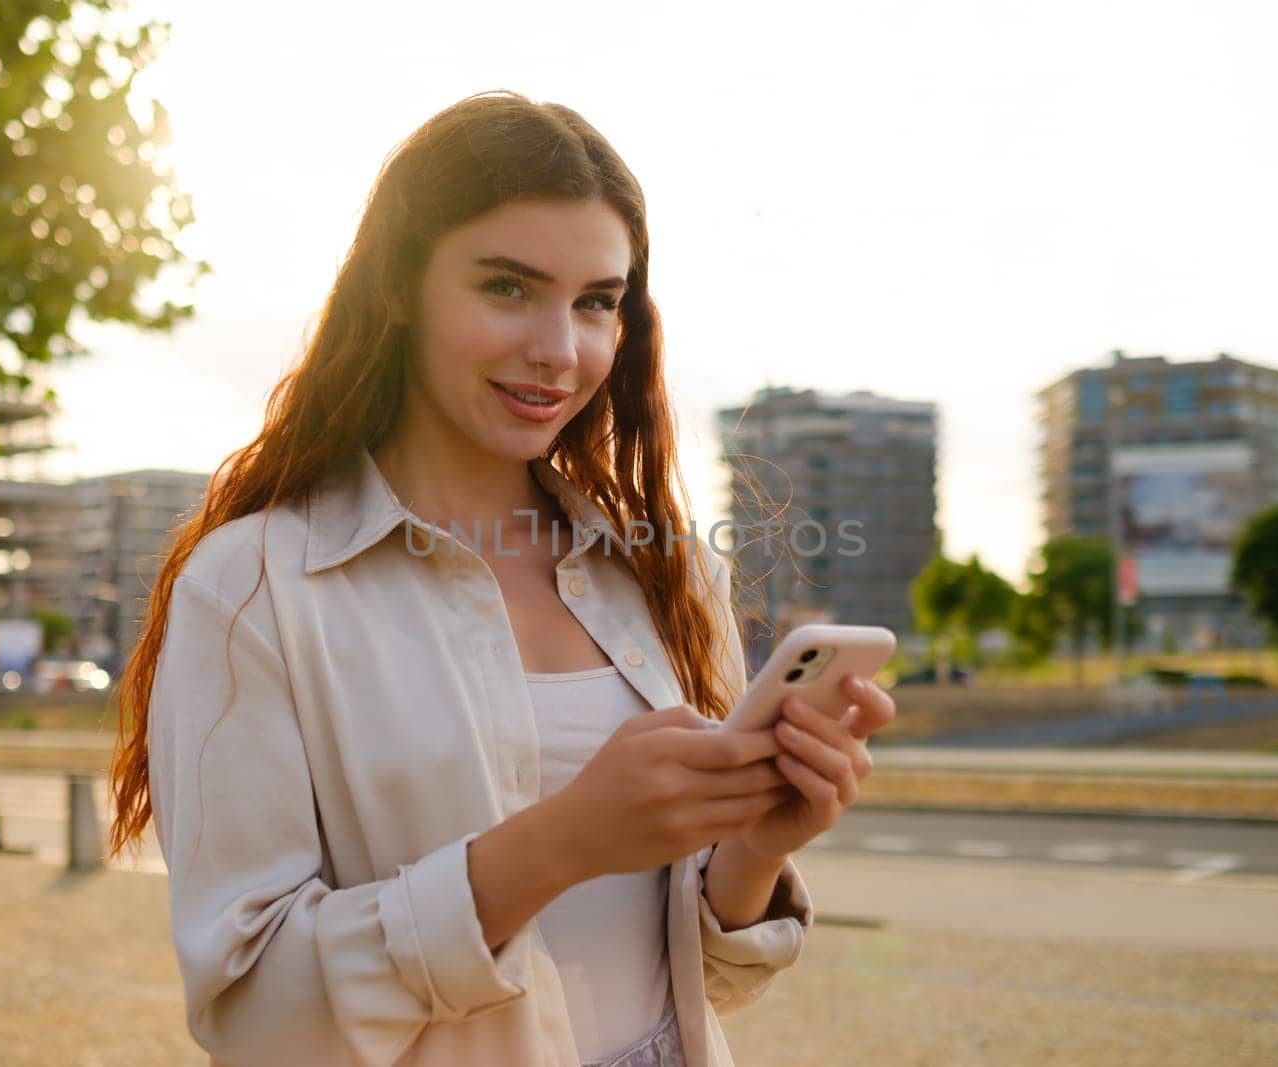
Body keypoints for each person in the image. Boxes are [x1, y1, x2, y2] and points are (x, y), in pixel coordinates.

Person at [107, 90, 895, 1067]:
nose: (559, 351)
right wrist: (558, 842)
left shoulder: (668, 572)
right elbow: (256, 1017)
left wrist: (757, 846)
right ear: (397, 286)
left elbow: (707, 980)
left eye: (596, 302)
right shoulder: (254, 586)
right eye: (508, 287)